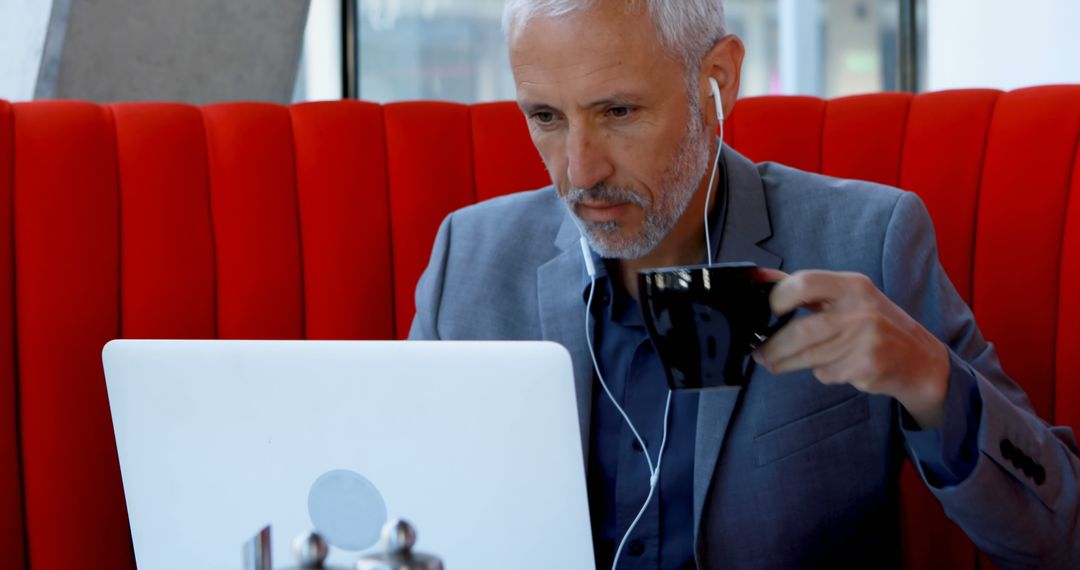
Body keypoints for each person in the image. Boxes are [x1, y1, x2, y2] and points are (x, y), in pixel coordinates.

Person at [408, 0, 1080, 568]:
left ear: (718, 82)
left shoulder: (868, 242)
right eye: (546, 118)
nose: (580, 170)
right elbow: (407, 504)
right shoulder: (468, 260)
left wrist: (930, 380)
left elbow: (1062, 534)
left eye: (617, 112)